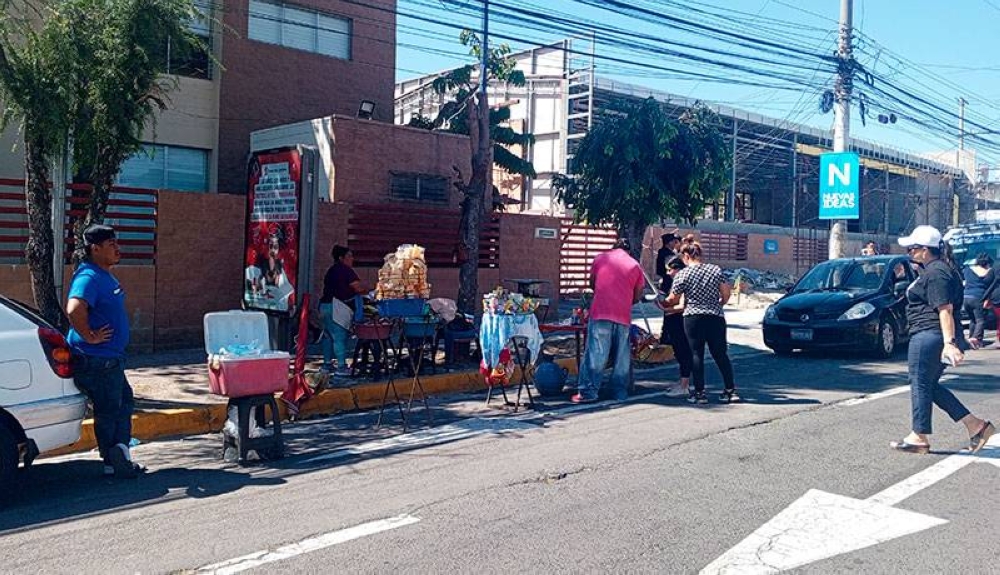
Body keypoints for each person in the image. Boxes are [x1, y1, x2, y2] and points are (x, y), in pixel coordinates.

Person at [890, 226, 994, 454]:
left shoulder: (936, 273)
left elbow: (944, 309)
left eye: (912, 249)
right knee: (929, 386)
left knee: (919, 382)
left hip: (929, 334)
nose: (909, 253)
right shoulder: (940, 270)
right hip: (933, 334)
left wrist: (949, 342)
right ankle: (976, 426)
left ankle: (919, 436)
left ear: (925, 250)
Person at [65, 225, 143, 478]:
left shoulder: (103, 274)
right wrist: (90, 336)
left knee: (123, 404)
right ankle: (112, 459)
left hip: (110, 359)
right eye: (111, 245)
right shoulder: (88, 277)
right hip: (98, 360)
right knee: (110, 410)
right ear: (94, 249)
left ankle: (119, 453)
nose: (118, 248)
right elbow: (74, 309)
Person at [662, 235, 738, 404]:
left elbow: (673, 298)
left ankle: (699, 393)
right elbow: (726, 293)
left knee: (697, 354)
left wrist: (662, 303)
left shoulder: (683, 274)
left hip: (693, 316)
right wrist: (719, 304)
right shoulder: (715, 270)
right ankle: (730, 390)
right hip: (715, 316)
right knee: (720, 353)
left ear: (686, 256)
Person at [572, 238, 645, 404]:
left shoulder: (600, 259)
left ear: (613, 248)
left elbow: (593, 283)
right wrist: (625, 300)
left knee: (596, 353)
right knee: (621, 356)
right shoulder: (634, 265)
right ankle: (618, 391)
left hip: (600, 313)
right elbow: (638, 294)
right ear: (628, 251)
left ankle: (588, 392)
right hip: (623, 315)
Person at [319, 245, 366, 376]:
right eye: (349, 256)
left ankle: (327, 364)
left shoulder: (331, 270)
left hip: (324, 306)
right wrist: (370, 290)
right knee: (339, 337)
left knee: (328, 336)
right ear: (341, 258)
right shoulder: (345, 270)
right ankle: (341, 366)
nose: (352, 259)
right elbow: (357, 288)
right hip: (337, 307)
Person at [657, 256, 694, 399]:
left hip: (682, 320)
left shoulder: (684, 281)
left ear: (678, 269)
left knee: (684, 352)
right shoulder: (669, 281)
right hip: (672, 320)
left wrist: (666, 308)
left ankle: (685, 385)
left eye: (670, 270)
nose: (668, 273)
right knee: (678, 351)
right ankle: (682, 382)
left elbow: (683, 305)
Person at [961, 252, 994, 349]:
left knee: (973, 319)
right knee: (980, 320)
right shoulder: (988, 272)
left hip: (966, 297)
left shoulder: (968, 270)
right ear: (988, 262)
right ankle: (977, 340)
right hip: (978, 297)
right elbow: (990, 286)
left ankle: (971, 338)